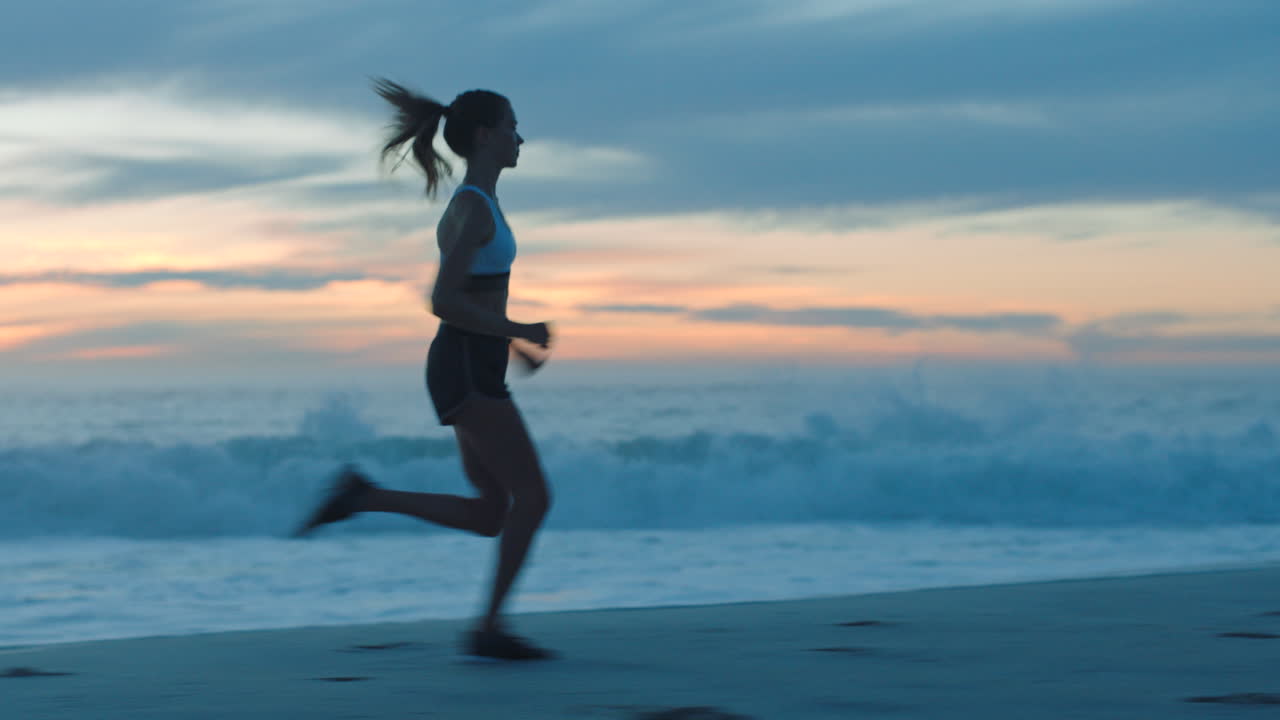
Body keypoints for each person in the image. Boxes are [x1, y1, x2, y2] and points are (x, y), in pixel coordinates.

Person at [295, 78, 555, 661]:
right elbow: (443, 300)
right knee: (534, 498)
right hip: (463, 368)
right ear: (486, 136)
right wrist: (521, 332)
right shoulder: (471, 207)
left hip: (472, 365)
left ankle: (364, 497)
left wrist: (514, 346)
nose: (521, 137)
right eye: (512, 126)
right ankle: (488, 628)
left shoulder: (483, 204)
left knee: (494, 512)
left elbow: (477, 298)